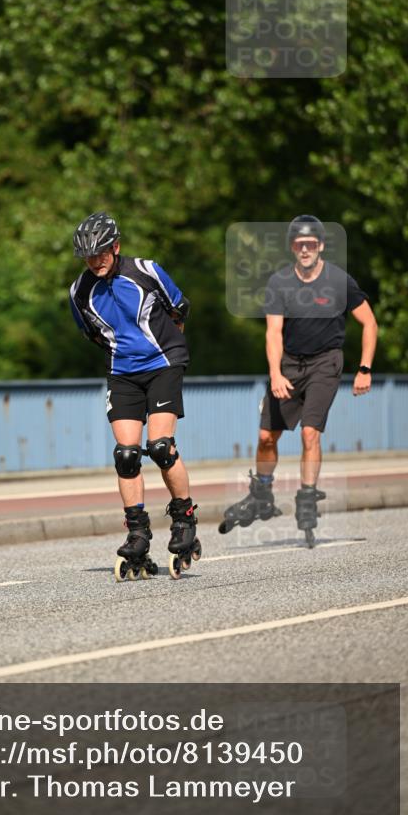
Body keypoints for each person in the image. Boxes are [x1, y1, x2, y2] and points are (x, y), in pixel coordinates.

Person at [219, 214, 378, 547]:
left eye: (311, 244)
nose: (305, 249)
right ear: (292, 247)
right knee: (266, 436)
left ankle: (306, 499)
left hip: (325, 362)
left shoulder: (339, 281)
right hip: (290, 364)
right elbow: (274, 332)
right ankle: (262, 493)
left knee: (310, 434)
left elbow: (370, 323)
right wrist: (276, 373)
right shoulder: (280, 283)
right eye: (299, 244)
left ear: (320, 245)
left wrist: (364, 368)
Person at [69, 211, 200, 580]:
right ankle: (138, 533)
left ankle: (184, 519)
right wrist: (125, 357)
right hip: (123, 373)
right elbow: (94, 335)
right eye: (88, 256)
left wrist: (167, 351)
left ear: (116, 246)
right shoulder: (79, 292)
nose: (96, 261)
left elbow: (179, 309)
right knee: (126, 455)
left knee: (160, 446)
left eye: (102, 253)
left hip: (164, 363)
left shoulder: (145, 271)